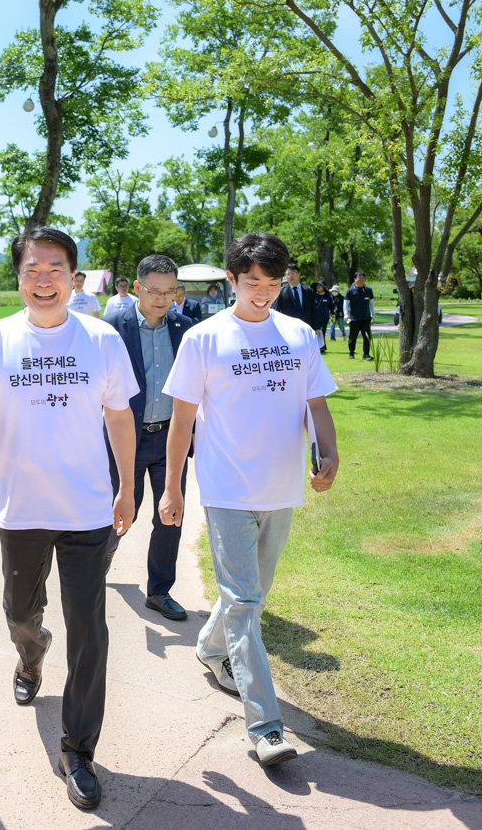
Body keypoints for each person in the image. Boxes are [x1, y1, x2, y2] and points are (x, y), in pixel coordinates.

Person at [0, 225, 137, 811]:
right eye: (33, 269)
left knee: (91, 633)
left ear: (73, 276)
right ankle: (31, 653)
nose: (44, 279)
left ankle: (77, 749)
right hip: (21, 508)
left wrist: (128, 487)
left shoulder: (102, 339)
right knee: (20, 612)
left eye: (55, 268)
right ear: (19, 276)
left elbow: (120, 419)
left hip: (86, 510)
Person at [158, 232, 339, 769]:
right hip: (227, 488)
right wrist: (173, 488)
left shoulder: (300, 335)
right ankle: (265, 724)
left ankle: (211, 648)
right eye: (252, 282)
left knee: (249, 596)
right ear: (232, 279)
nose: (262, 293)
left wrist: (328, 454)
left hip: (281, 486)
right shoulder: (204, 338)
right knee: (244, 600)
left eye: (273, 283)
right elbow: (182, 420)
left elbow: (317, 403)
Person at [103, 254, 196, 621]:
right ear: (137, 288)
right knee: (122, 511)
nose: (162, 299)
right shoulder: (111, 328)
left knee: (170, 515)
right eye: (154, 291)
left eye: (169, 292)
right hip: (126, 438)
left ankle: (159, 591)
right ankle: (96, 567)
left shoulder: (185, 328)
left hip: (171, 437)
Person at [272, 263, 317, 328]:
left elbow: (313, 311)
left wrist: (317, 327)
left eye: (293, 273)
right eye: (288, 274)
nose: (290, 276)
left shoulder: (309, 291)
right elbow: (276, 311)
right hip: (289, 327)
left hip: (306, 327)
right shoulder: (281, 292)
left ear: (299, 274)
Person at [344, 271, 375, 361]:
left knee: (367, 337)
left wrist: (373, 315)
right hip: (354, 319)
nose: (361, 280)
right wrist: (346, 315)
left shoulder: (368, 290)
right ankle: (351, 353)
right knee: (352, 337)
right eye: (359, 278)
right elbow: (345, 303)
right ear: (355, 279)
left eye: (363, 278)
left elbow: (371, 303)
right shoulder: (350, 291)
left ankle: (366, 354)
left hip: (366, 319)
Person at [311, 281, 334, 354]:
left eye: (320, 286)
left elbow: (331, 307)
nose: (318, 287)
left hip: (324, 317)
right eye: (317, 286)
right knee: (314, 332)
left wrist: (333, 315)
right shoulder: (313, 295)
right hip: (314, 317)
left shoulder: (328, 297)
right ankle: (316, 347)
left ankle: (322, 347)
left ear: (324, 288)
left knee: (322, 332)